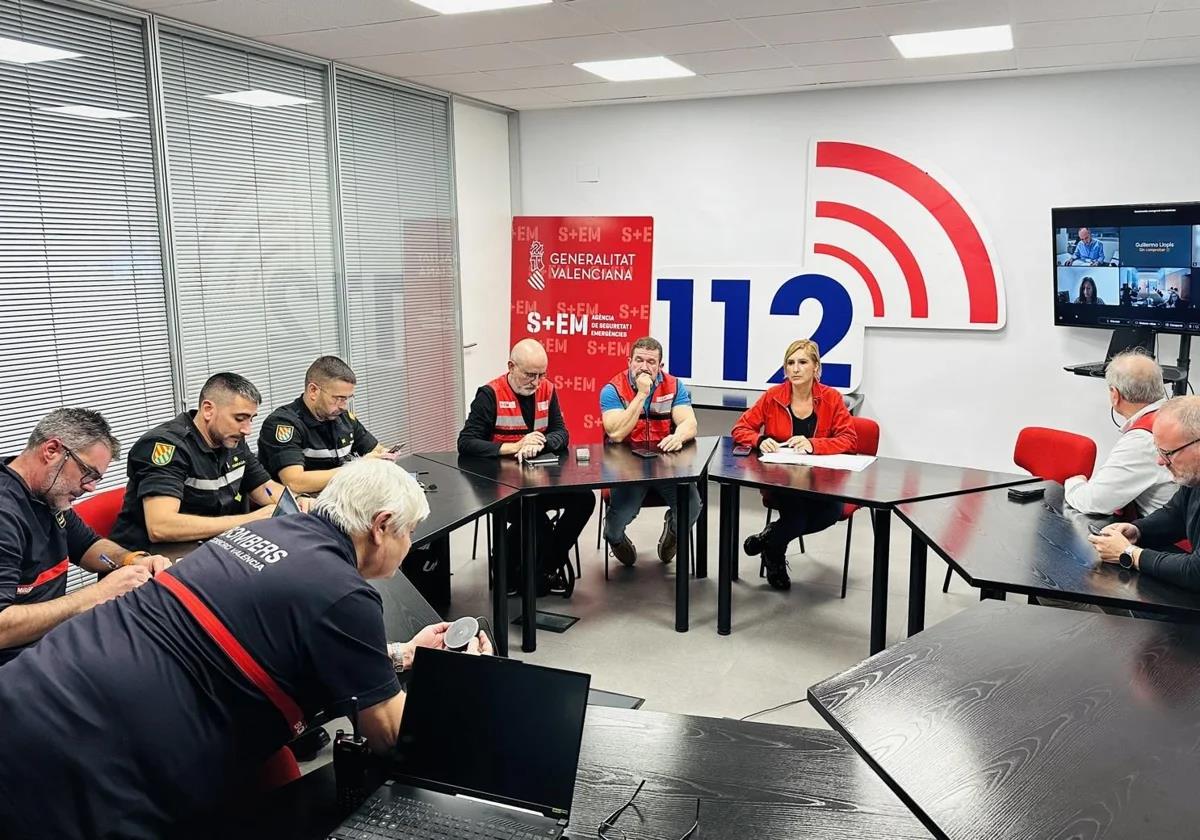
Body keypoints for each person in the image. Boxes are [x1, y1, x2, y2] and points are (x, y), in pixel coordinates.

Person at [0, 459, 491, 839]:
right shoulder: (344, 591)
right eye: (407, 532)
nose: (409, 544)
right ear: (382, 525)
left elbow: (281, 640)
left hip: (32, 689)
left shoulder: (263, 531)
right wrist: (459, 679)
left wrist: (404, 654)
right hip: (88, 761)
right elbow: (388, 734)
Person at [0, 409, 170, 665]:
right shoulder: (6, 513)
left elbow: (90, 547)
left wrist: (131, 560)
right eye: (87, 473)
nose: (90, 486)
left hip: (50, 641)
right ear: (52, 450)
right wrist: (97, 594)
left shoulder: (47, 496)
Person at [457, 338, 595, 593]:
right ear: (511, 366)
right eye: (530, 374)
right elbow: (466, 443)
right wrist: (515, 446)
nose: (536, 382)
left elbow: (561, 433)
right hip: (501, 490)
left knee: (585, 499)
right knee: (534, 519)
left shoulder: (548, 390)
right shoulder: (489, 395)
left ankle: (546, 568)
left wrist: (540, 442)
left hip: (539, 483)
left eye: (542, 374)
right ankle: (511, 571)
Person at [731, 339, 857, 591]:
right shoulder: (773, 396)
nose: (796, 369)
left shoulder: (831, 398)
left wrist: (813, 444)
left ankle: (769, 539)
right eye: (790, 363)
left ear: (816, 368)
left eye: (802, 362)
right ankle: (775, 556)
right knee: (796, 519)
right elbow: (740, 428)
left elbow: (849, 439)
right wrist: (760, 439)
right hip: (781, 478)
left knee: (831, 514)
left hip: (822, 480)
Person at [112, 372, 285, 551]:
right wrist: (249, 520)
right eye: (239, 419)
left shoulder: (232, 439)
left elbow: (265, 488)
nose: (247, 430)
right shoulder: (166, 445)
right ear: (208, 410)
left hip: (207, 549)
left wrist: (295, 501)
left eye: (251, 419)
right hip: (150, 560)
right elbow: (161, 526)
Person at [599, 336, 701, 566]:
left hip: (666, 466)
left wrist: (678, 435)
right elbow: (615, 433)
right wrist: (641, 394)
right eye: (639, 360)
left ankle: (673, 532)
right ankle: (615, 540)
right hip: (627, 469)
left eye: (651, 362)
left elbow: (690, 423)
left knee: (693, 506)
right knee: (616, 523)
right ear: (629, 362)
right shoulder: (612, 390)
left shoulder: (674, 385)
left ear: (660, 366)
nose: (644, 367)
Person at [1090, 396, 1200, 590]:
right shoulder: (1194, 478)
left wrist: (1129, 554)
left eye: (1168, 453)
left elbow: (1196, 572)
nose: (1160, 461)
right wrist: (1137, 530)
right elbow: (1175, 514)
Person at [258, 355, 394, 494]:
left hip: (343, 498)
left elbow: (375, 450)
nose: (344, 406)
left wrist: (384, 456)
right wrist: (358, 468)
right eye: (339, 398)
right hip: (304, 507)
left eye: (348, 398)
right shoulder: (283, 424)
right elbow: (295, 482)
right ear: (313, 391)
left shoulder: (343, 417)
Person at [1064, 350, 1174, 517]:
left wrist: (1073, 483)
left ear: (1115, 395)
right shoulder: (1177, 415)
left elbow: (1095, 502)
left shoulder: (1142, 440)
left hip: (1170, 539)